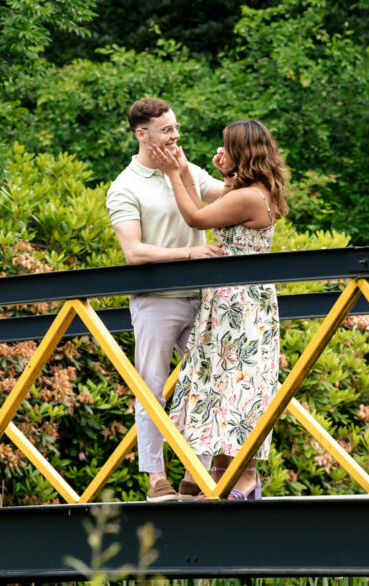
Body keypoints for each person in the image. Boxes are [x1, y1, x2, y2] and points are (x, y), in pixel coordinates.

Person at [148, 119, 288, 500]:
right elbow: (203, 204)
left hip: (241, 303)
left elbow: (195, 217)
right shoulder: (246, 191)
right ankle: (222, 470)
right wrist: (207, 174)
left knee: (239, 381)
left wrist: (174, 172)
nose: (221, 153)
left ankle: (243, 477)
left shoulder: (250, 197)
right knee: (223, 381)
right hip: (225, 300)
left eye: (227, 148)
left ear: (243, 152)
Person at [106, 97, 227, 502]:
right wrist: (190, 254)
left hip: (202, 299)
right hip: (155, 301)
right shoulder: (124, 186)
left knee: (208, 382)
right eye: (167, 131)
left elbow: (226, 196)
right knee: (151, 389)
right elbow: (134, 253)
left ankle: (198, 471)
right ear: (142, 135)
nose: (176, 137)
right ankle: (157, 479)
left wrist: (250, 168)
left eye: (176, 128)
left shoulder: (188, 168)